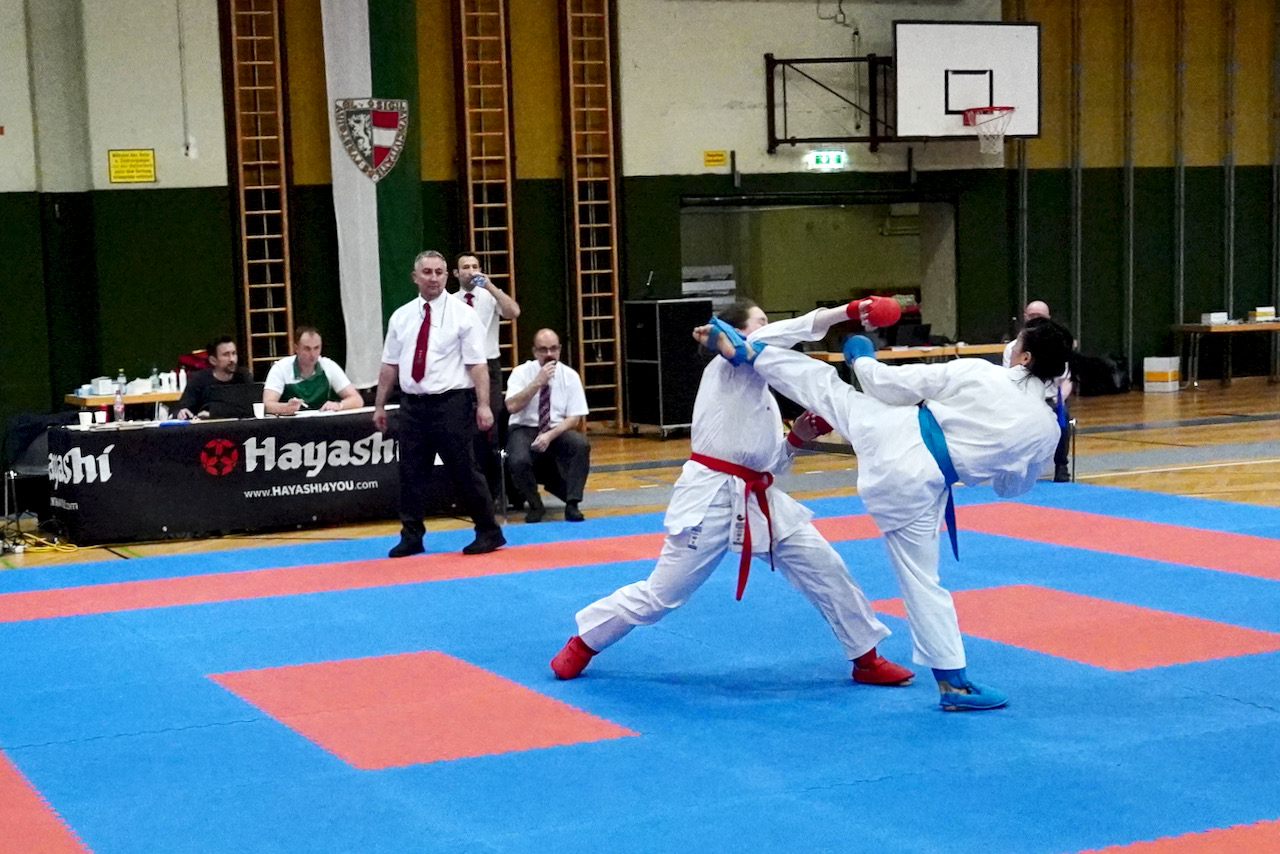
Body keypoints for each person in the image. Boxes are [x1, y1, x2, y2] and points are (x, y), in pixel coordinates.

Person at [697, 301, 1073, 711]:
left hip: (894, 439)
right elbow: (1010, 488)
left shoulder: (981, 373)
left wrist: (862, 358)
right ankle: (953, 683)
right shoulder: (1046, 429)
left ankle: (751, 352)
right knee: (923, 582)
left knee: (827, 387)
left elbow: (885, 386)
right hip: (924, 488)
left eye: (1017, 342)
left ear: (1025, 357)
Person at [549, 300, 913, 690]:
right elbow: (790, 330)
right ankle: (584, 643)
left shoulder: (763, 390)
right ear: (738, 331)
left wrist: (795, 439)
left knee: (826, 568)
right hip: (711, 495)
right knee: (662, 595)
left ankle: (866, 658)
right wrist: (850, 311)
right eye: (760, 322)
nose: (768, 328)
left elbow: (768, 466)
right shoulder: (727, 366)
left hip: (758, 497)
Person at [373, 250, 506, 557]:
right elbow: (389, 365)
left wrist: (483, 405)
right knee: (410, 472)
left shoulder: (463, 314)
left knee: (464, 469)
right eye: (427, 272)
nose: (433, 278)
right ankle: (411, 536)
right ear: (415, 277)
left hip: (451, 403)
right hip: (412, 405)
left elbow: (477, 365)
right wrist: (380, 405)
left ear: (447, 276)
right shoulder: (401, 316)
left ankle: (489, 530)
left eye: (438, 272)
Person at [452, 253, 521, 503]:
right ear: (456, 273)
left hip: (489, 365)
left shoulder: (490, 296)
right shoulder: (451, 302)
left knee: (490, 426)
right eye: (465, 267)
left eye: (475, 266)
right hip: (461, 367)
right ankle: (470, 490)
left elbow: (513, 312)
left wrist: (490, 286)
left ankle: (496, 491)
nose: (470, 271)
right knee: (466, 428)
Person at [504, 329, 591, 523]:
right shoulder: (521, 372)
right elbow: (512, 406)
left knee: (580, 445)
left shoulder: (570, 376)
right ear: (535, 352)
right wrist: (538, 382)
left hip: (555, 428)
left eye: (553, 349)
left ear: (559, 349)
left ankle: (573, 503)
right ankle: (535, 504)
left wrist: (549, 435)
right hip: (524, 427)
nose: (549, 354)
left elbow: (575, 418)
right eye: (543, 350)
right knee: (518, 459)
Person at [1002, 300, 1073, 482]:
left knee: (1063, 415)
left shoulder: (1057, 346)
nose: (1035, 320)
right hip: (1022, 399)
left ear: (1048, 318)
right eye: (1032, 316)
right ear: (1025, 317)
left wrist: (1060, 399)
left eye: (1039, 317)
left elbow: (1065, 380)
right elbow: (1009, 377)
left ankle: (1061, 465)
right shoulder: (1012, 348)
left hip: (1050, 399)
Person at [262, 326, 363, 415]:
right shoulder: (280, 368)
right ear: (296, 348)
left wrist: (339, 405)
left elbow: (357, 399)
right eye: (307, 349)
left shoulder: (328, 366)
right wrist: (286, 408)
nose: (312, 354)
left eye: (316, 348)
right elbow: (267, 404)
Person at [174, 336, 252, 420]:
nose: (232, 359)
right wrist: (181, 412)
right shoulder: (199, 379)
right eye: (226, 355)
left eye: (234, 353)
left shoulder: (243, 376)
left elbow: (251, 408)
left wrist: (214, 414)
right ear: (213, 360)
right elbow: (180, 408)